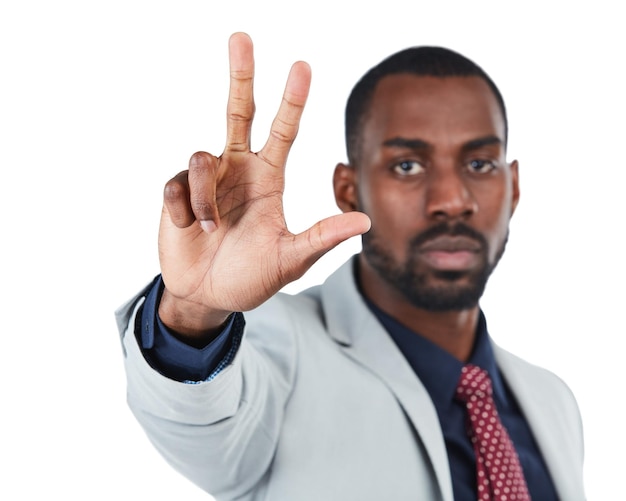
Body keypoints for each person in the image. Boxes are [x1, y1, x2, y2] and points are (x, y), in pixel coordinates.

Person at [116, 32, 585, 500]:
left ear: (514, 187)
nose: (451, 201)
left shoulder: (552, 400)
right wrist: (194, 313)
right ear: (348, 189)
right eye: (408, 166)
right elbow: (200, 423)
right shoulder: (273, 347)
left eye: (480, 164)